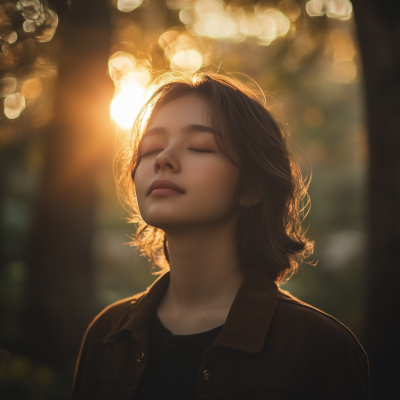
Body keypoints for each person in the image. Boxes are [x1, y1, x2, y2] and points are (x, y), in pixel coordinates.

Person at [70, 72, 370, 399]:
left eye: (199, 147)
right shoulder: (107, 334)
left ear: (252, 186)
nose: (163, 160)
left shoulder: (318, 346)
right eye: (151, 148)